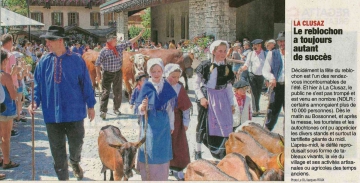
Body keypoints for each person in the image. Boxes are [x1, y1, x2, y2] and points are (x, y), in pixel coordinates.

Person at [28, 26, 96, 180]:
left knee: (76, 144)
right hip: (52, 114)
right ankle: (63, 178)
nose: (47, 43)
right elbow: (38, 86)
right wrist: (34, 103)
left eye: (49, 40)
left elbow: (86, 84)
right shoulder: (43, 62)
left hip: (75, 113)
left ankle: (74, 161)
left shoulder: (77, 60)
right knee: (57, 152)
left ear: (60, 41)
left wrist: (90, 105)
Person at [135, 58, 177, 181]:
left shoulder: (167, 86)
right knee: (149, 148)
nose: (157, 74)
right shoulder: (147, 86)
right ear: (149, 72)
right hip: (150, 123)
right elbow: (139, 108)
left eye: (159, 71)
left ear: (163, 71)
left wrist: (171, 125)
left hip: (163, 123)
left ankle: (162, 177)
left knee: (162, 150)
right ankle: (148, 176)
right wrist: (142, 107)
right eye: (154, 72)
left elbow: (170, 109)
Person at [194, 40, 235, 160]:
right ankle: (198, 150)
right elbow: (196, 83)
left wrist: (231, 103)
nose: (223, 54)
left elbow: (228, 87)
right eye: (220, 51)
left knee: (225, 123)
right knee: (203, 124)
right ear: (213, 51)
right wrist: (201, 97)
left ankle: (223, 152)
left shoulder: (227, 67)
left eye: (225, 51)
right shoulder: (205, 65)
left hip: (222, 98)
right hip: (207, 96)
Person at [95, 30, 144, 119]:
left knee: (117, 92)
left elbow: (130, 42)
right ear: (110, 41)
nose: (116, 41)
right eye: (115, 39)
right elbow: (97, 64)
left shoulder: (119, 47)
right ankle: (103, 111)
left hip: (118, 72)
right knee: (105, 92)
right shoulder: (103, 51)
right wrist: (98, 75)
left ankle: (116, 109)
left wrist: (139, 35)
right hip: (107, 74)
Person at [164, 64, 192, 180]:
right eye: (173, 76)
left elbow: (185, 107)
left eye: (178, 77)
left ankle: (179, 169)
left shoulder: (179, 87)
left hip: (176, 121)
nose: (175, 79)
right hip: (163, 120)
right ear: (166, 75)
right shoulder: (161, 85)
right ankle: (166, 167)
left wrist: (186, 122)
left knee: (178, 144)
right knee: (165, 145)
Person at [0, 50, 20, 171]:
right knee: (6, 136)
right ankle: (6, 161)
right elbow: (13, 95)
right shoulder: (5, 76)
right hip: (5, 110)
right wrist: (13, 77)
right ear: (4, 61)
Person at [262, 31, 285, 131]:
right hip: (277, 86)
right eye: (280, 41)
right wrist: (271, 77)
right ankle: (266, 133)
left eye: (284, 41)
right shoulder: (272, 54)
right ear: (277, 43)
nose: (282, 43)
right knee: (272, 112)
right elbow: (265, 69)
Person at [239, 39, 266, 117]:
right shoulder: (250, 54)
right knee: (254, 92)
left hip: (261, 76)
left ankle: (257, 108)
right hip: (252, 75)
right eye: (253, 45)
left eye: (255, 45)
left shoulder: (265, 54)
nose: (254, 46)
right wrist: (242, 68)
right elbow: (246, 64)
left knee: (258, 92)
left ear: (259, 45)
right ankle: (255, 110)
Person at [1, 34, 20, 137]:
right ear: (9, 42)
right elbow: (12, 73)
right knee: (9, 107)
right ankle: (9, 129)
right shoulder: (10, 55)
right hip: (8, 82)